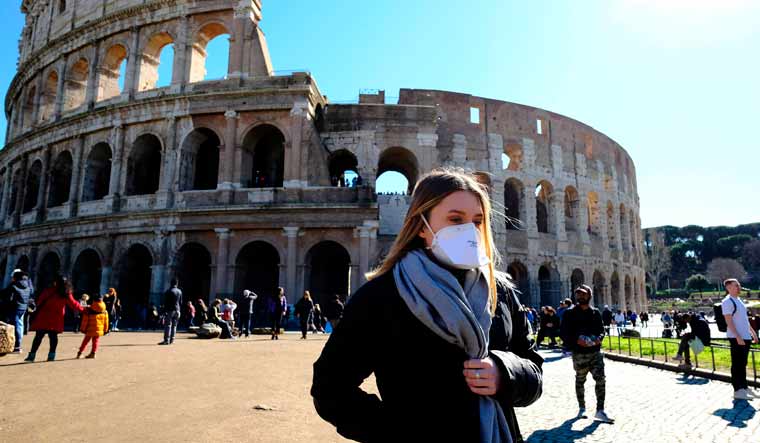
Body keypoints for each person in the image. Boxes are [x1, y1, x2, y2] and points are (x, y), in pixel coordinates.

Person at [311, 168, 543, 442]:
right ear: (422, 226)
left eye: (477, 221)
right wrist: (393, 431)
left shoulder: (499, 291)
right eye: (455, 219)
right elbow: (330, 387)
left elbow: (533, 368)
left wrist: (505, 371)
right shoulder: (381, 296)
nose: (469, 231)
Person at [560, 285, 613, 423]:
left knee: (601, 380)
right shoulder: (569, 313)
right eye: (578, 294)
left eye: (583, 294)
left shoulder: (595, 312)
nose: (580, 296)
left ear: (589, 295)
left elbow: (602, 331)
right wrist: (577, 340)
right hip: (579, 353)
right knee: (580, 380)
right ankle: (581, 408)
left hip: (595, 353)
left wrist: (598, 339)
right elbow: (564, 333)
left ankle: (600, 410)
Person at [25, 275, 84, 362]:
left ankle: (32, 355)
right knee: (53, 337)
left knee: (38, 337)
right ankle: (51, 356)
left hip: (44, 317)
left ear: (55, 282)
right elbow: (74, 304)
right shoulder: (66, 293)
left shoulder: (48, 291)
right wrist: (85, 310)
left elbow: (39, 302)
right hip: (56, 318)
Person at [721, 279, 760, 400]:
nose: (739, 287)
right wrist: (737, 336)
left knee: (743, 363)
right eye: (736, 285)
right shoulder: (727, 301)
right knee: (737, 363)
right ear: (728, 288)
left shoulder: (739, 301)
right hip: (736, 336)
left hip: (745, 336)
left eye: (739, 285)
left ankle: (744, 387)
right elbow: (728, 320)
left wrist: (752, 333)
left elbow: (744, 319)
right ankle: (737, 389)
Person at [1, 270, 33, 353]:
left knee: (15, 326)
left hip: (14, 308)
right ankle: (18, 345)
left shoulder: (14, 286)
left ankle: (17, 346)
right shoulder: (27, 286)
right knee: (20, 325)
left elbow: (8, 298)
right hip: (23, 308)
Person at [77, 293, 109, 359]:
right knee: (95, 341)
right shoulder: (104, 310)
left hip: (90, 328)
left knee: (85, 341)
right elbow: (106, 321)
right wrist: (105, 330)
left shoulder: (90, 309)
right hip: (99, 329)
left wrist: (83, 328)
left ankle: (80, 353)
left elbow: (85, 320)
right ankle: (93, 353)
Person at [159, 278, 182, 345]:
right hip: (177, 310)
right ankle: (172, 340)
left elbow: (166, 302)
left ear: (171, 283)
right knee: (174, 326)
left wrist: (164, 311)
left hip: (170, 310)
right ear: (177, 283)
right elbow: (180, 302)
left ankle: (166, 340)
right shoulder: (180, 291)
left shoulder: (168, 291)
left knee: (168, 325)